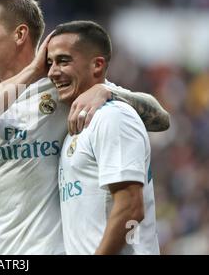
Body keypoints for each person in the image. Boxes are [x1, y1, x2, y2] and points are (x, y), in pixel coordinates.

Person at [0, 0, 169, 254]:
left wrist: (106, 91)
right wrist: (31, 72)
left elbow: (160, 117)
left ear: (19, 34)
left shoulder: (62, 84)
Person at [47, 20, 160, 254]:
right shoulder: (79, 122)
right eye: (50, 63)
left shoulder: (113, 117)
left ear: (97, 65)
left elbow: (130, 208)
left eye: (63, 60)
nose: (52, 72)